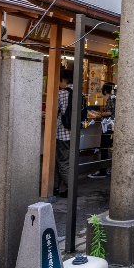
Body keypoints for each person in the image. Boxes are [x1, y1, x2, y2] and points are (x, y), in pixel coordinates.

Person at [88, 83, 115, 179]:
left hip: (108, 126)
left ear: (105, 91)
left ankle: (103, 170)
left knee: (104, 147)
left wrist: (100, 114)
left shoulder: (110, 98)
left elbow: (110, 112)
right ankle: (111, 169)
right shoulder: (115, 98)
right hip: (113, 126)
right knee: (111, 148)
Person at [55, 69, 74, 198]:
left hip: (63, 133)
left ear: (64, 80)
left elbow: (54, 110)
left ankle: (72, 190)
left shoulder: (61, 94)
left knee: (63, 163)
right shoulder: (79, 93)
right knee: (67, 162)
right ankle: (56, 187)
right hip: (74, 134)